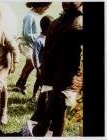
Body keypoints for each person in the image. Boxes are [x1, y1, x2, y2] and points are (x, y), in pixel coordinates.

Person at [30, 2, 83, 136]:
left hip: (65, 81)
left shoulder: (78, 24)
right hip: (52, 77)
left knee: (58, 112)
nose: (66, 1)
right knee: (56, 113)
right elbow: (51, 52)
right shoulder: (59, 21)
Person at [15, 2, 52, 95]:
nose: (45, 10)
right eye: (45, 8)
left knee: (29, 64)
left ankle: (20, 82)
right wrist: (38, 39)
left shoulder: (35, 15)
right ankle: (22, 83)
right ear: (40, 6)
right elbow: (27, 34)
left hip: (31, 43)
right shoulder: (30, 16)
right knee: (31, 63)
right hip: (27, 43)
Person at [31, 15, 54, 101]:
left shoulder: (50, 38)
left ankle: (46, 97)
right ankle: (34, 96)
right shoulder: (39, 40)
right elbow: (35, 55)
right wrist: (38, 67)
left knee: (47, 82)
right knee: (39, 81)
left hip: (48, 66)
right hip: (41, 67)